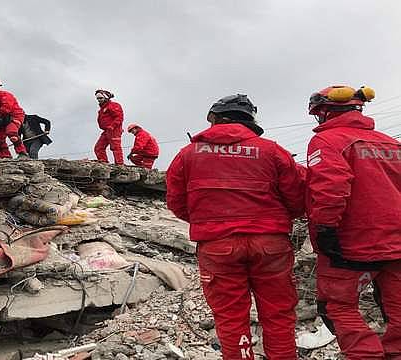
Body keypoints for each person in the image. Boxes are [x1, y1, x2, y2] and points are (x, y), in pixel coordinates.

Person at [166, 94, 305, 360]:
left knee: (231, 318)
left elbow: (176, 201)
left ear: (215, 119)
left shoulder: (188, 154)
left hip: (218, 247)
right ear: (251, 121)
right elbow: (298, 199)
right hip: (271, 245)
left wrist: (208, 222)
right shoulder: (272, 150)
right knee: (278, 314)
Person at [305, 85, 401, 359]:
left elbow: (330, 187)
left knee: (338, 307)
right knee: (398, 309)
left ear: (324, 113)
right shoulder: (391, 142)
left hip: (352, 245)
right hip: (396, 243)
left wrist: (325, 229)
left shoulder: (327, 141)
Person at [0, 89, 28, 158]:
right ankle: (4, 156)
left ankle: (22, 153)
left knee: (11, 132)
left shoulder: (4, 94)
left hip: (13, 116)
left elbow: (7, 107)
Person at [94, 89, 124, 164]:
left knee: (115, 147)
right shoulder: (103, 108)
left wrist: (112, 126)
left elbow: (119, 117)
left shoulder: (113, 105)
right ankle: (103, 162)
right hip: (107, 130)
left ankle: (119, 164)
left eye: (100, 98)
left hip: (114, 130)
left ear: (106, 97)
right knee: (99, 147)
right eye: (97, 98)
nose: (99, 100)